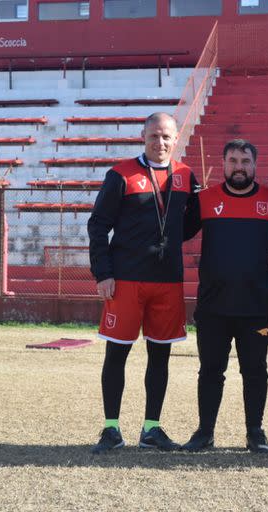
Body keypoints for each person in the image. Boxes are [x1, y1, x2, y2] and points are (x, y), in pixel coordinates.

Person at [87, 112, 198, 454]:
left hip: (167, 282)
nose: (160, 142)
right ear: (143, 136)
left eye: (166, 137)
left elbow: (191, 224)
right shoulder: (120, 174)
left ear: (175, 138)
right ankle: (111, 429)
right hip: (125, 280)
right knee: (116, 354)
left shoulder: (185, 175)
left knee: (160, 357)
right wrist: (103, 273)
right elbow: (97, 225)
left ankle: (151, 428)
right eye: (154, 136)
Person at [180, 139, 268, 454]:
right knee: (210, 369)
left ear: (254, 165)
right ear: (223, 164)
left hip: (256, 306)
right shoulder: (205, 199)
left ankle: (255, 433)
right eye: (233, 160)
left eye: (245, 161)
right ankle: (205, 432)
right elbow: (176, 230)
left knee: (255, 369)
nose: (239, 167)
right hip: (213, 306)